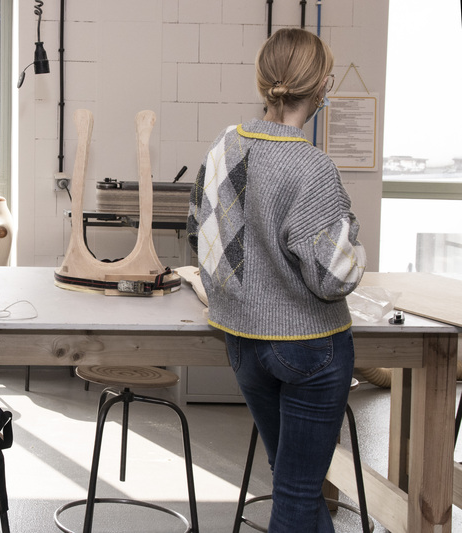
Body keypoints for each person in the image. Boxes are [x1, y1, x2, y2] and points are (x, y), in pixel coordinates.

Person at [187, 28, 367, 532]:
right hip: (311, 347)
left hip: (244, 344)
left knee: (294, 483)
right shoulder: (313, 167)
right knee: (297, 492)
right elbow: (336, 278)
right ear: (323, 86)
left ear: (264, 81)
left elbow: (201, 236)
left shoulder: (224, 147)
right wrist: (350, 232)